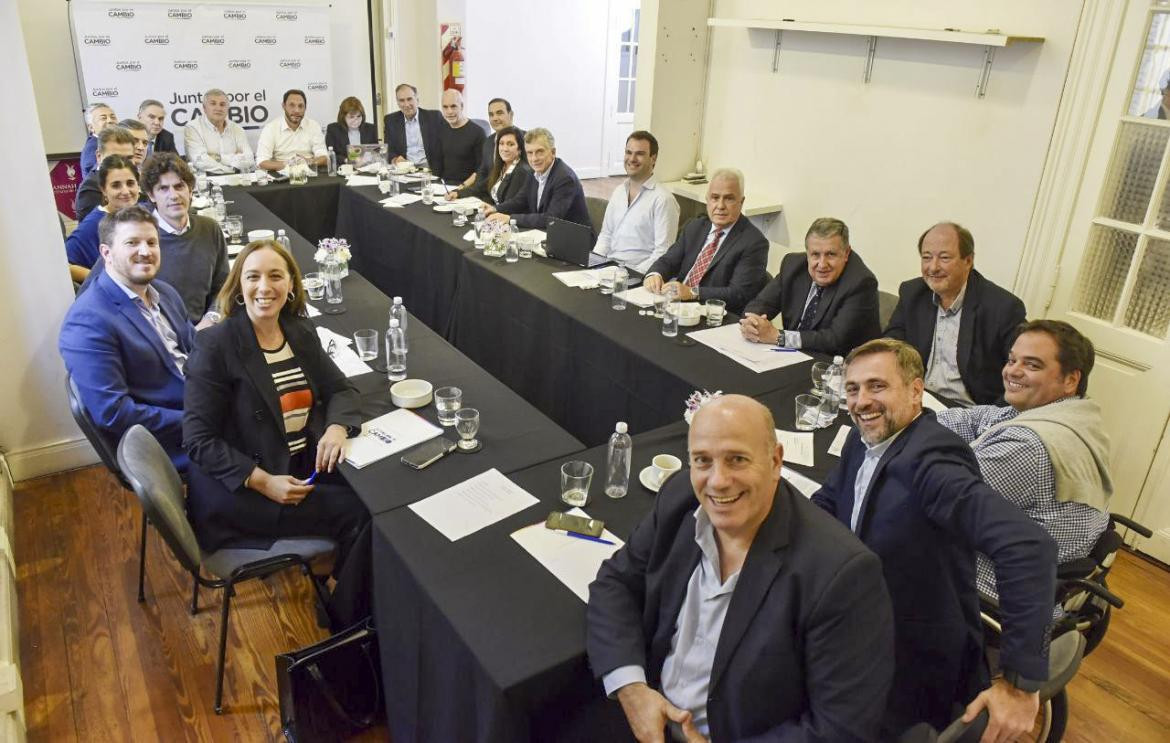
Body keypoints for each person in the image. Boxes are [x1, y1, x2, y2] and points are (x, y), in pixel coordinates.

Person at [587, 394, 895, 742]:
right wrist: (631, 690)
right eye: (702, 461)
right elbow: (615, 583)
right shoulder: (679, 497)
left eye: (736, 459)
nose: (717, 481)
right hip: (645, 714)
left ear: (776, 461)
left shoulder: (842, 574)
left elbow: (840, 731)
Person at [811, 339, 1057, 737]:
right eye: (853, 389)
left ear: (915, 391)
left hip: (912, 657)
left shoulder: (932, 462)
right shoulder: (865, 434)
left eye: (877, 386)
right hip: (861, 611)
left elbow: (1028, 546)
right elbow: (832, 497)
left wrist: (1019, 684)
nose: (860, 401)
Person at [182, 239, 372, 627]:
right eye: (253, 277)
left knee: (377, 496)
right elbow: (198, 441)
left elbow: (342, 388)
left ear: (291, 285)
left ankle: (337, 579)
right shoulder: (215, 345)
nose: (264, 287)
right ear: (238, 286)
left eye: (275, 276)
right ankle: (345, 620)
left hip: (294, 463)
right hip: (242, 490)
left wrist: (336, 427)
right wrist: (263, 482)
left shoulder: (299, 332)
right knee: (361, 514)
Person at [937, 320, 1112, 602]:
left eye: (1032, 365)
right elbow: (976, 419)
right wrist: (915, 419)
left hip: (991, 588)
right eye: (1011, 360)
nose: (1011, 371)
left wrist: (903, 440)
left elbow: (937, 495)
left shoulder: (1027, 446)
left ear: (1070, 380)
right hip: (1033, 570)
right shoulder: (1072, 414)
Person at [59, 205, 195, 470]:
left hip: (200, 405)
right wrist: (196, 419)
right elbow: (113, 414)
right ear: (106, 253)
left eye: (151, 242)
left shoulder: (164, 293)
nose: (145, 251)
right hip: (170, 443)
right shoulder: (87, 321)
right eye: (132, 242)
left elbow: (196, 351)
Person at [884, 222, 1028, 405]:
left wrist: (988, 421)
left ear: (968, 261)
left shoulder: (1003, 308)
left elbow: (1021, 376)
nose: (933, 267)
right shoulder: (913, 293)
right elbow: (891, 344)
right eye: (926, 257)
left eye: (944, 258)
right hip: (914, 398)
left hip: (967, 410)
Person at [82, 153, 228, 326]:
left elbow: (224, 285)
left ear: (190, 190)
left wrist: (211, 318)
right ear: (151, 195)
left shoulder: (210, 229)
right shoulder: (131, 237)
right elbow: (89, 294)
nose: (173, 195)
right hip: (154, 337)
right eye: (163, 189)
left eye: (179, 186)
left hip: (204, 332)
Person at [740, 217, 880, 356]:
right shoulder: (792, 266)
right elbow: (762, 303)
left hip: (837, 364)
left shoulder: (861, 283)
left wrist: (779, 336)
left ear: (846, 253)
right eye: (815, 255)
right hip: (792, 355)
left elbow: (834, 340)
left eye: (830, 254)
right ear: (807, 253)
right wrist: (752, 323)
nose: (822, 264)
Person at [642, 169, 768, 314]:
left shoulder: (754, 242)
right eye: (715, 197)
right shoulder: (695, 226)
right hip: (676, 306)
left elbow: (739, 294)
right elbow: (669, 261)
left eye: (729, 198)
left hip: (712, 316)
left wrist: (693, 292)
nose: (720, 206)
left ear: (741, 201)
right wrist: (654, 275)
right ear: (707, 199)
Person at [592, 130, 680, 274]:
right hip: (608, 269)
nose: (632, 159)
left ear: (653, 159)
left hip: (637, 276)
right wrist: (594, 263)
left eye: (639, 154)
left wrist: (629, 276)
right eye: (628, 152)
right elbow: (606, 236)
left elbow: (662, 253)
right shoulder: (619, 191)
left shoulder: (663, 200)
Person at [485, 127, 591, 230]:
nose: (534, 159)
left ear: (553, 152)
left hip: (574, 238)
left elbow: (551, 219)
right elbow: (520, 200)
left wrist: (510, 218)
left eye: (539, 152)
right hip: (548, 233)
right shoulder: (533, 171)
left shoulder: (565, 178)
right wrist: (495, 209)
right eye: (530, 153)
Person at [66, 155, 140, 281]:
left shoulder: (142, 214)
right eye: (116, 185)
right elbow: (66, 266)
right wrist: (107, 281)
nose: (126, 191)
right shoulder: (94, 224)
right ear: (104, 190)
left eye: (130, 183)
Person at [445, 126, 531, 206]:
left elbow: (510, 205)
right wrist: (457, 193)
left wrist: (490, 209)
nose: (505, 149)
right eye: (501, 143)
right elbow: (481, 188)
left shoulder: (521, 171)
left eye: (510, 144)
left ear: (520, 149)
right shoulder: (502, 166)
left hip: (504, 217)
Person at [75, 126, 140, 222]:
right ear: (98, 156)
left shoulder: (138, 180)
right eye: (115, 158)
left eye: (128, 158)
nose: (123, 163)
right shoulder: (90, 191)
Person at [183, 88, 255, 172]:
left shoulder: (237, 129)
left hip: (237, 179)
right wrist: (230, 169)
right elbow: (201, 161)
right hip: (205, 180)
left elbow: (250, 159)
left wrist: (218, 158)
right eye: (213, 104)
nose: (218, 108)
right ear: (204, 108)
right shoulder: (192, 128)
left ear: (227, 108)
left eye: (222, 104)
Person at [255, 89, 328, 172]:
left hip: (309, 171)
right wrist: (288, 164)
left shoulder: (313, 125)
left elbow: (324, 157)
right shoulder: (271, 128)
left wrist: (308, 162)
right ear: (283, 106)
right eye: (292, 105)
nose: (297, 110)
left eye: (301, 106)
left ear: (305, 108)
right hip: (282, 175)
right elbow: (261, 161)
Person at [383, 83, 444, 172]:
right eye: (402, 100)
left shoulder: (434, 117)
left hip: (430, 169)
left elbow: (445, 145)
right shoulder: (390, 120)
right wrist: (395, 159)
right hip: (405, 170)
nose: (406, 104)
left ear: (417, 99)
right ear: (398, 102)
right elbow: (388, 150)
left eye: (409, 99)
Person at [437, 88, 486, 185]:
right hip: (443, 186)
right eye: (445, 107)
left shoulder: (478, 132)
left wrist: (462, 187)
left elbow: (482, 169)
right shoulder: (440, 129)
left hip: (467, 187)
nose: (449, 111)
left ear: (462, 106)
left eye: (453, 106)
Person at [472, 97, 523, 187]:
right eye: (491, 115)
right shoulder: (488, 141)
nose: (495, 118)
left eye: (499, 113)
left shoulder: (526, 140)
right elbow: (482, 173)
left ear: (511, 115)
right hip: (489, 195)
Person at [325, 96, 378, 163]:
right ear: (343, 117)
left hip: (367, 168)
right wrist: (348, 160)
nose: (356, 120)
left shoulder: (370, 129)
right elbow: (331, 154)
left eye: (358, 116)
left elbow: (376, 150)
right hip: (344, 169)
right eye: (351, 117)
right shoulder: (333, 129)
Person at [80, 102, 118, 179]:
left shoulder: (116, 143)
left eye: (113, 117)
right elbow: (96, 177)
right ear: (91, 127)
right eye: (103, 118)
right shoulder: (92, 148)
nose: (110, 120)